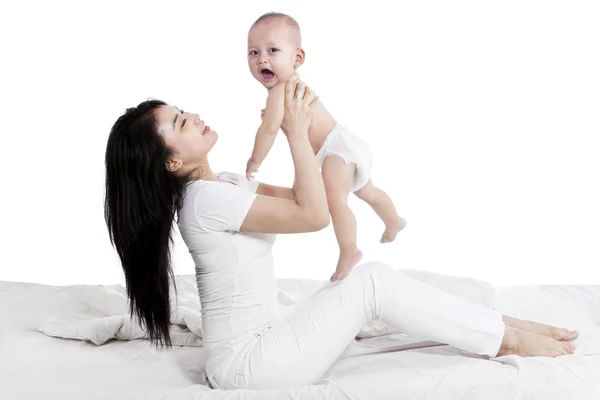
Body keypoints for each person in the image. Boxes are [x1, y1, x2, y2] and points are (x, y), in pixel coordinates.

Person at [104, 78, 578, 391]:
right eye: (181, 123)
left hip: (266, 344)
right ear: (172, 163)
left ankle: (497, 323)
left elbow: (301, 197)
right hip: (252, 368)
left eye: (185, 111)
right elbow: (313, 217)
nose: (195, 116)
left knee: (372, 294)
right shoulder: (207, 200)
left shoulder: (221, 183)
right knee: (372, 282)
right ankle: (504, 339)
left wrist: (330, 148)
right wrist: (294, 134)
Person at [245, 12, 406, 281]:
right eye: (253, 52)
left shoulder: (279, 91)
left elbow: (269, 128)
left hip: (336, 150)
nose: (262, 59)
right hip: (344, 143)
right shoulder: (286, 88)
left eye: (272, 50)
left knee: (335, 201)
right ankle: (394, 221)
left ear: (297, 58)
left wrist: (255, 160)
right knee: (369, 192)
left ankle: (349, 249)